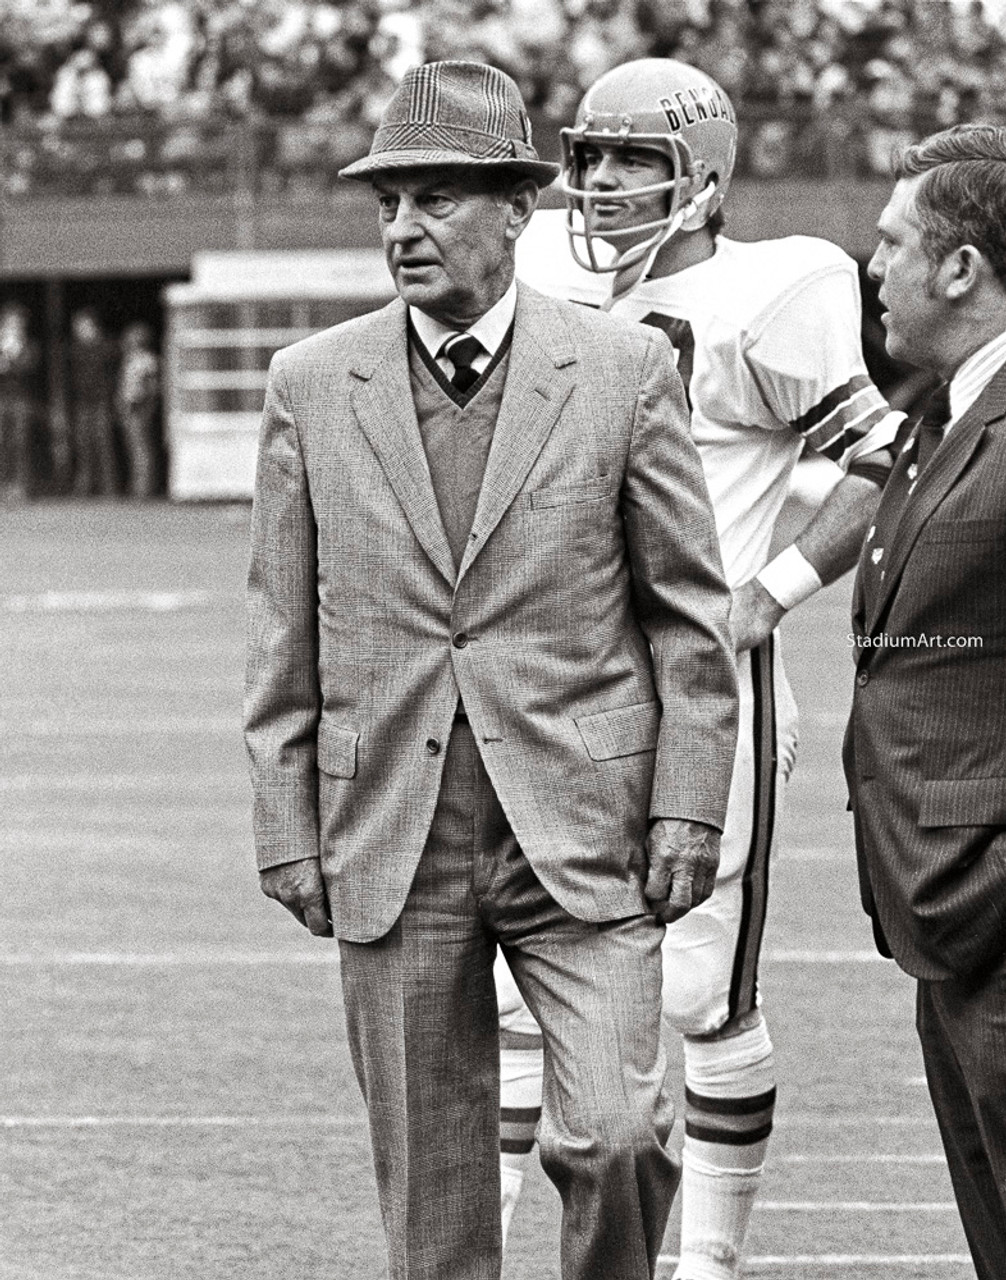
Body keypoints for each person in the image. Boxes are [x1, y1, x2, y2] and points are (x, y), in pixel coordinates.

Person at [244, 60, 739, 1280]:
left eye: (436, 198)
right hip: (389, 833)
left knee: (623, 1133)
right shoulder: (309, 385)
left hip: (587, 828)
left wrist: (686, 803)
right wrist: (284, 825)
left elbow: (689, 617)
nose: (403, 228)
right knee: (434, 1194)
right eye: (388, 203)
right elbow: (279, 634)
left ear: (518, 210)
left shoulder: (625, 373)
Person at [498, 59, 904, 1280]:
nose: (605, 183)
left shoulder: (778, 288)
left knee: (696, 994)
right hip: (553, 688)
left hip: (699, 692)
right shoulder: (537, 281)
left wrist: (759, 598)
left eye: (637, 160)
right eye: (593, 156)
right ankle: (486, 1255)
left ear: (707, 179)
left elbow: (883, 458)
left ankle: (710, 1263)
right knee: (519, 999)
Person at [845, 122, 1006, 1280]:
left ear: (961, 267)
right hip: (945, 917)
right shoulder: (940, 415)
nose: (872, 264)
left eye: (893, 241)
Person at [68, 308, 118, 497]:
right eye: (78, 328)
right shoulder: (76, 350)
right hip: (82, 403)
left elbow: (111, 366)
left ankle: (109, 488)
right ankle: (85, 487)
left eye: (83, 326)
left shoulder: (106, 346)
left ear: (94, 327)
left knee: (104, 445)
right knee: (83, 446)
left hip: (101, 403)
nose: (80, 331)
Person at [0, 302, 41, 502]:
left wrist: (10, 360)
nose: (13, 326)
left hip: (21, 400)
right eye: (10, 323)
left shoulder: (30, 346)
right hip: (1, 399)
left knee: (21, 443)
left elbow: (30, 369)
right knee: (2, 443)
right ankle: (3, 486)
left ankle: (21, 487)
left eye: (17, 323)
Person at [115, 321, 160, 498]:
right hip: (130, 407)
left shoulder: (147, 360)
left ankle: (144, 488)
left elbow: (152, 388)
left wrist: (146, 407)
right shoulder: (132, 359)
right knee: (135, 448)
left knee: (142, 448)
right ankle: (138, 485)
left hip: (139, 407)